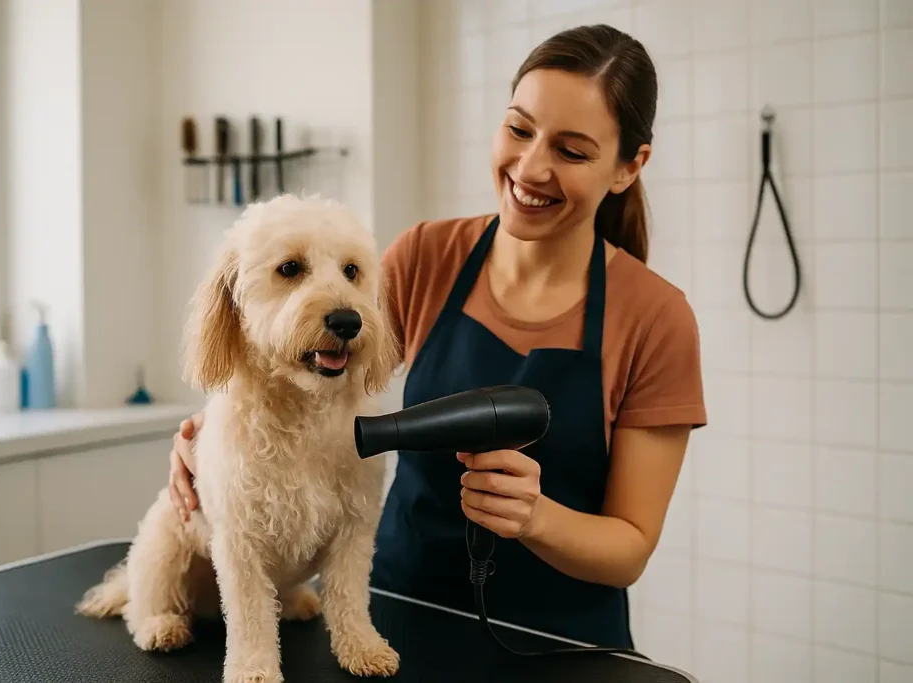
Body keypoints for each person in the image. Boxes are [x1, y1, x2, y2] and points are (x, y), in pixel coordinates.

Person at [166, 24, 706, 651]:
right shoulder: (426, 256)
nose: (531, 167)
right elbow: (298, 343)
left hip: (562, 645)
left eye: (573, 151)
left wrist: (537, 519)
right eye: (519, 129)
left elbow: (630, 547)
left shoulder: (656, 319)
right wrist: (211, 434)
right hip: (397, 616)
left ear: (627, 167)